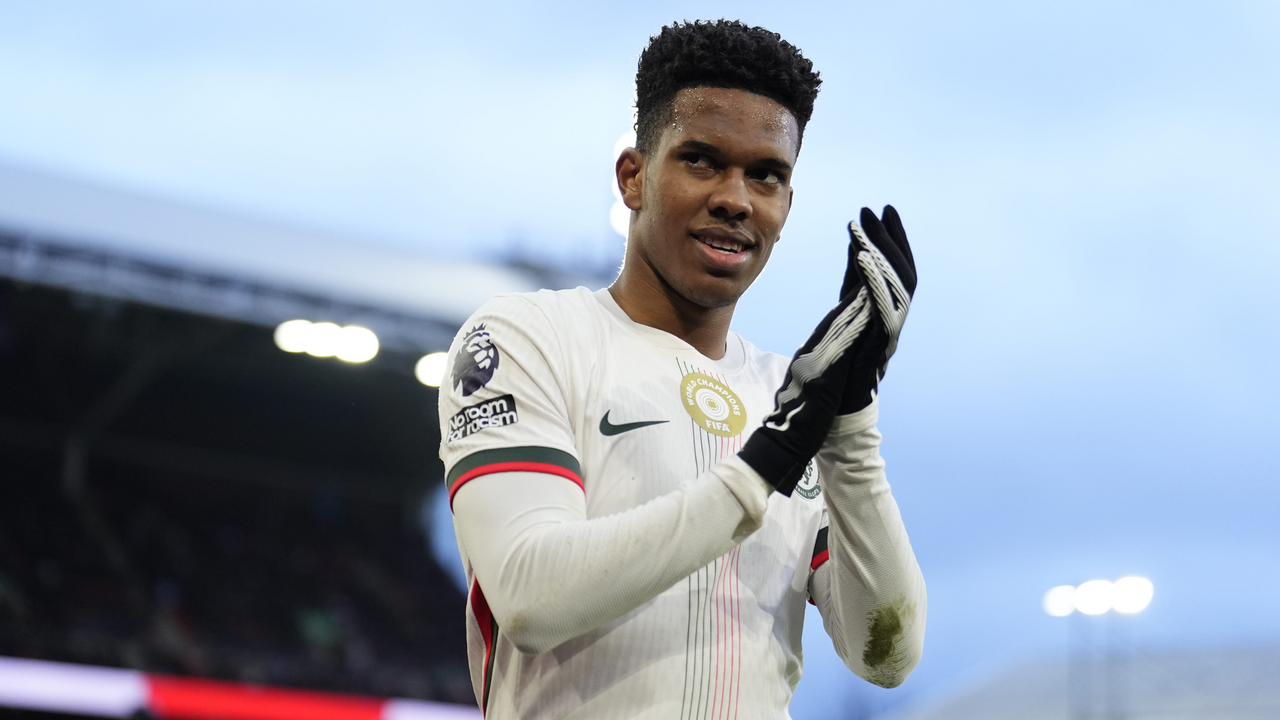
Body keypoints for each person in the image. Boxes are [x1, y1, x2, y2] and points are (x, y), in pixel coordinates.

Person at [439, 19, 926, 719]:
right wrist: (767, 461)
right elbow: (529, 598)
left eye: (766, 175)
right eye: (702, 160)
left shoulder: (793, 397)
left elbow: (887, 655)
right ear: (633, 177)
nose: (736, 198)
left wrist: (849, 427)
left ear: (787, 206)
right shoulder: (526, 339)